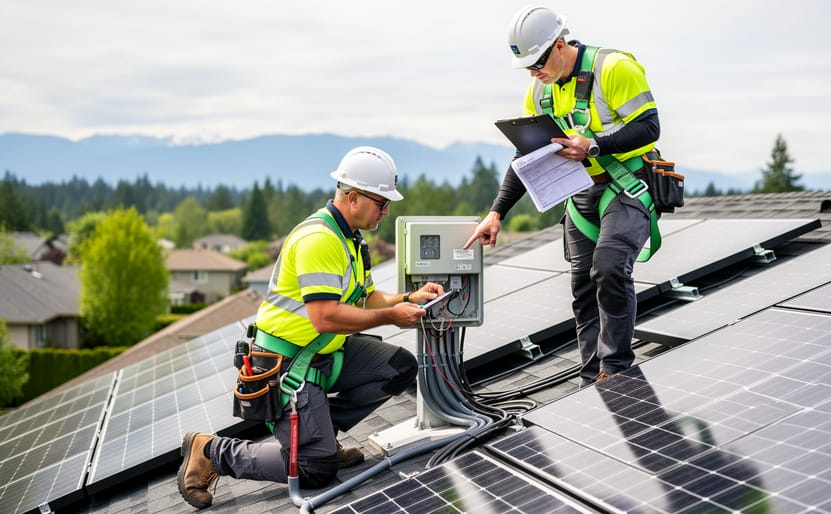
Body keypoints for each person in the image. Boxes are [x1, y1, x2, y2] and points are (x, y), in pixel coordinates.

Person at [177, 146, 444, 509]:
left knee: (398, 367)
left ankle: (319, 435)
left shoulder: (350, 238)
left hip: (323, 354)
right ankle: (211, 452)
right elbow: (325, 317)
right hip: (284, 365)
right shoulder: (319, 240)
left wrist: (407, 298)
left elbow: (365, 298)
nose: (386, 211)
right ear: (353, 197)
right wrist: (391, 317)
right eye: (381, 203)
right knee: (315, 469)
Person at [465, 6, 660, 385]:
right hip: (582, 191)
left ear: (558, 45)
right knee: (583, 285)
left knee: (609, 266)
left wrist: (595, 146)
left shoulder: (614, 68)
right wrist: (496, 212)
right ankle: (592, 378)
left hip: (628, 183)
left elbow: (649, 127)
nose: (534, 73)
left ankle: (615, 370)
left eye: (538, 63)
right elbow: (526, 157)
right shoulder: (540, 91)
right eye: (527, 67)